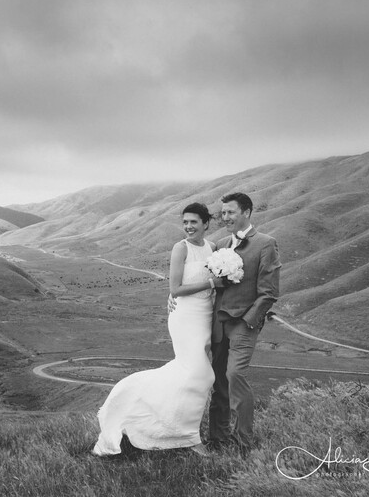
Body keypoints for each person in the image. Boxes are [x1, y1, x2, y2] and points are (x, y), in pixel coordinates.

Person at [92, 203, 223, 457]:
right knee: (202, 375)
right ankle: (191, 439)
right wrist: (210, 282)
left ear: (206, 224)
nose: (188, 227)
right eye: (185, 222)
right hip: (185, 316)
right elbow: (175, 289)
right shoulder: (180, 248)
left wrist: (216, 286)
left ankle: (162, 424)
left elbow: (218, 280)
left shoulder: (214, 248)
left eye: (194, 222)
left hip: (206, 316)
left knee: (188, 376)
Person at [208, 192, 280, 455]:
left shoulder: (265, 244)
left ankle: (243, 442)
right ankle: (217, 438)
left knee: (234, 375)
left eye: (230, 212)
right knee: (218, 381)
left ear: (247, 212)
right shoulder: (220, 244)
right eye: (223, 213)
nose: (225, 217)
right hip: (218, 324)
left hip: (243, 324)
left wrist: (250, 321)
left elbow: (269, 292)